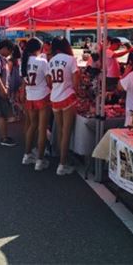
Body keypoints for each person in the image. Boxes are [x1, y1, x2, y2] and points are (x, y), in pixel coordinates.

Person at [48, 37, 79, 176]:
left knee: (60, 130)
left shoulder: (51, 61)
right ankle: (62, 164)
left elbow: (49, 81)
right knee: (66, 132)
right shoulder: (71, 59)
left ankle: (61, 160)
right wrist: (75, 91)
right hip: (67, 97)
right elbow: (76, 81)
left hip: (54, 98)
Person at [21, 37, 52, 171]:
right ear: (38, 48)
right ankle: (40, 160)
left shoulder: (24, 62)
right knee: (42, 128)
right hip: (43, 96)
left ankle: (27, 155)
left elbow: (24, 81)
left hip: (30, 96)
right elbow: (49, 81)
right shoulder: (42, 62)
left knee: (32, 126)